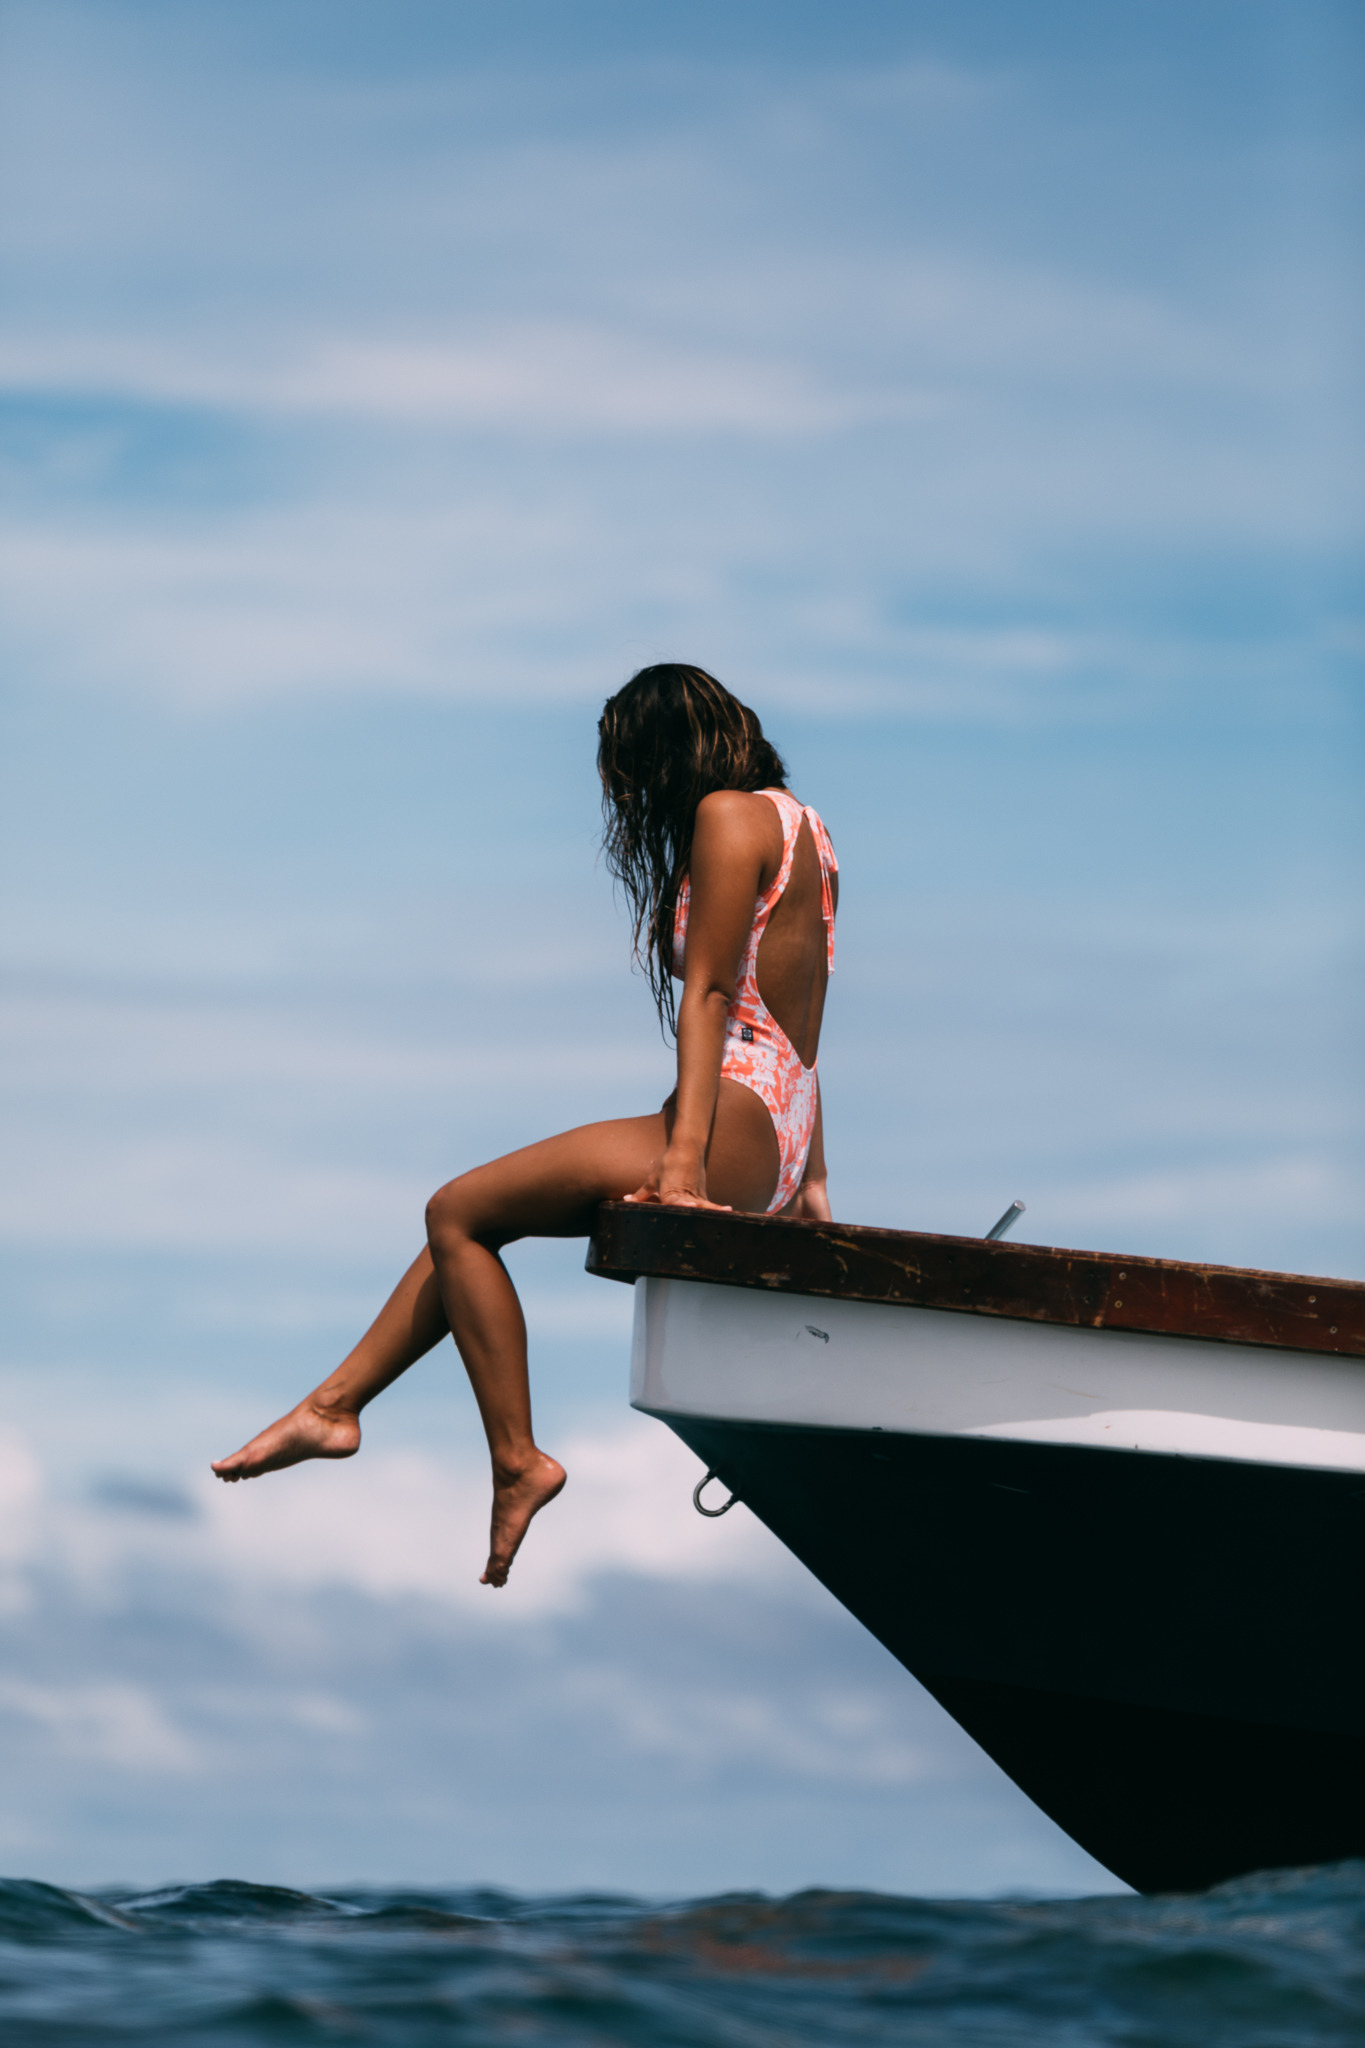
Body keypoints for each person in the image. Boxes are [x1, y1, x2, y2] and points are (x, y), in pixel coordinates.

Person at [212, 664, 839, 1586]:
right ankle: (333, 1406)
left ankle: (516, 1460)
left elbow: (708, 992)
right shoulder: (808, 829)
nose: (625, 795)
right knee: (471, 1225)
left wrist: (681, 1165)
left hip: (727, 1128)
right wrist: (810, 1184)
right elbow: (806, 1012)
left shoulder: (725, 817)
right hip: (775, 1126)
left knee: (456, 1210)